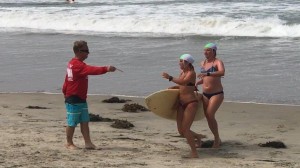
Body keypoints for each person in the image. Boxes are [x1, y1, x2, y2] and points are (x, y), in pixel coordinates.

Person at [62, 40, 116, 150]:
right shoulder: (76, 65)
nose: (88, 53)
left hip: (81, 97)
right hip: (73, 97)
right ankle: (69, 143)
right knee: (72, 122)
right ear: (78, 51)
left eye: (88, 50)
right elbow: (92, 70)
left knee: (84, 121)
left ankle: (88, 142)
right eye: (86, 51)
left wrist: (64, 90)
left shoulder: (74, 63)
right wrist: (106, 69)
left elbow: (67, 80)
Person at [162, 54, 204, 158]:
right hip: (181, 103)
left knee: (185, 129)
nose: (179, 63)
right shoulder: (182, 72)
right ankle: (198, 136)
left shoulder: (191, 73)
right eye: (179, 61)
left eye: (181, 61)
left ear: (187, 63)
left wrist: (170, 77)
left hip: (190, 103)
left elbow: (184, 82)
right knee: (181, 131)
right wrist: (175, 86)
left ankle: (194, 153)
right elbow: (183, 85)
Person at [196, 43, 225, 148]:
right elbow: (204, 79)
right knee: (208, 117)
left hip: (217, 93)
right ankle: (217, 138)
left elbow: (222, 72)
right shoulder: (202, 63)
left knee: (210, 114)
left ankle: (217, 139)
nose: (205, 52)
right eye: (204, 50)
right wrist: (197, 83)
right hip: (205, 93)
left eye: (208, 50)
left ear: (213, 51)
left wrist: (208, 74)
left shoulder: (217, 62)